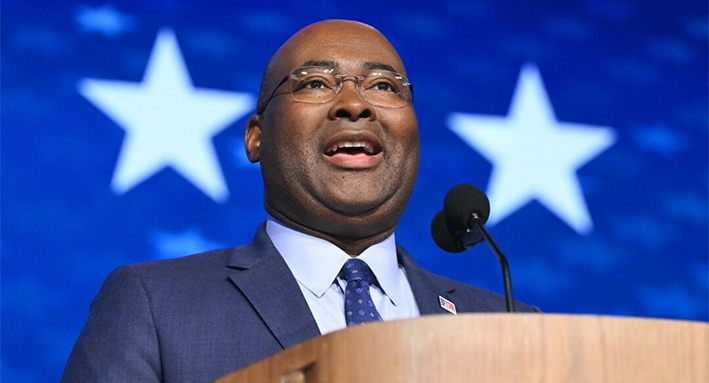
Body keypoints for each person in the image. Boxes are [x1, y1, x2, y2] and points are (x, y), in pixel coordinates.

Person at [61, 20, 537, 383]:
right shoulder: (154, 306)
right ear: (255, 138)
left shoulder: (512, 325)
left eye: (384, 86)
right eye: (314, 82)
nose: (355, 103)